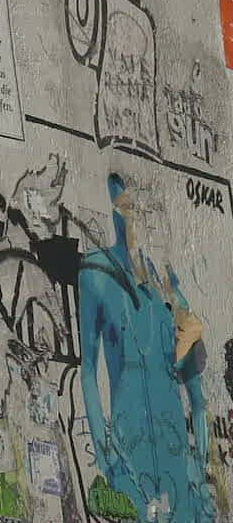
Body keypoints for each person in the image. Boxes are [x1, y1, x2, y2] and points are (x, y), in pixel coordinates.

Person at [79, 174, 211, 523]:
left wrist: (200, 463)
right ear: (114, 206)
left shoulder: (167, 286)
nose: (136, 215)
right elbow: (88, 369)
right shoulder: (95, 271)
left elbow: (195, 388)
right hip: (130, 447)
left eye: (143, 206)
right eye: (128, 204)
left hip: (175, 449)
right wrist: (105, 454)